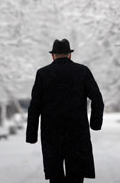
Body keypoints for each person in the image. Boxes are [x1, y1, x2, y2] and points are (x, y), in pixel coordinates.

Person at [26, 38, 104, 183]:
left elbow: (35, 106)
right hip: (77, 132)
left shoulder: (43, 74)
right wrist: (95, 123)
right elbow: (97, 99)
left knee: (55, 177)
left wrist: (32, 134)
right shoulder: (82, 71)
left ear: (53, 55)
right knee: (76, 176)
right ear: (69, 54)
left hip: (51, 133)